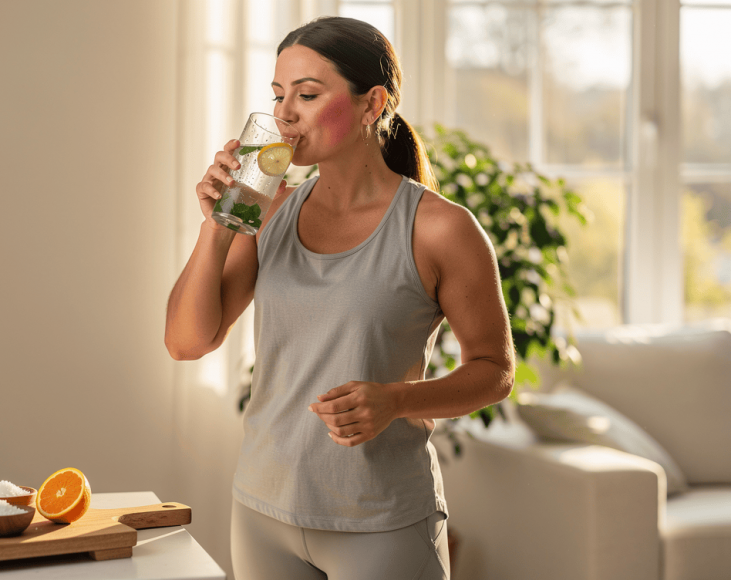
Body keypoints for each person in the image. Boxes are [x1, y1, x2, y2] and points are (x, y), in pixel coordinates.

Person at [164, 16, 514, 580]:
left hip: (381, 520)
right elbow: (186, 342)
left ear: (371, 104)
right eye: (279, 96)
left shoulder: (440, 229)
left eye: (307, 94)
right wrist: (218, 225)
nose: (285, 114)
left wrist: (396, 401)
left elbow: (494, 370)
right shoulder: (270, 208)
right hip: (261, 510)